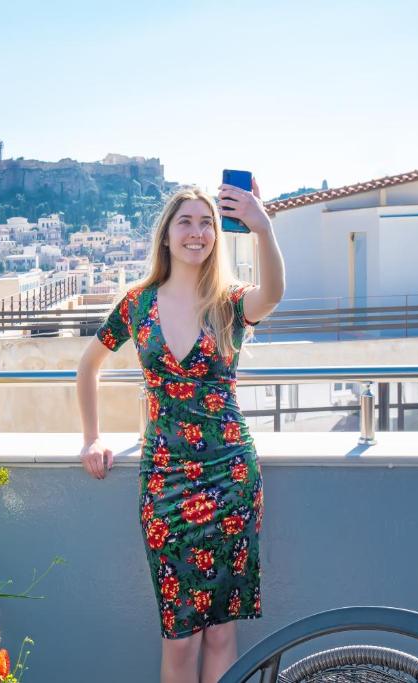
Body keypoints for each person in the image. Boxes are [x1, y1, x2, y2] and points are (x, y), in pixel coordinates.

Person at [76, 181, 285, 683]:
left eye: (207, 222)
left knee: (220, 633)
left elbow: (274, 293)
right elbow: (89, 366)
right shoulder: (137, 304)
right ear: (166, 236)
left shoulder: (230, 303)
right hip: (165, 483)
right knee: (179, 636)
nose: (197, 232)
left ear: (217, 235)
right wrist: (91, 436)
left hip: (231, 476)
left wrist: (262, 225)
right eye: (185, 222)